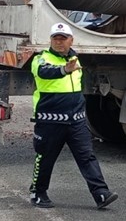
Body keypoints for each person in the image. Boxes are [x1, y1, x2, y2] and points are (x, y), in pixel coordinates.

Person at [29, 22, 119, 210]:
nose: (59, 43)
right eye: (55, 39)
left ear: (71, 40)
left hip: (75, 121)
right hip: (49, 121)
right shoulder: (41, 58)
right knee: (45, 158)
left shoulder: (74, 59)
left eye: (63, 39)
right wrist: (64, 70)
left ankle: (101, 194)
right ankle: (38, 193)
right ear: (50, 40)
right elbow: (44, 73)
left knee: (87, 157)